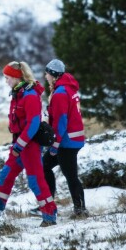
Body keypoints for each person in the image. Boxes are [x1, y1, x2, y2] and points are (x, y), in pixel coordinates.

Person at [0, 61, 57, 227]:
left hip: (29, 146)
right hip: (20, 145)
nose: (5, 81)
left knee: (36, 180)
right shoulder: (18, 93)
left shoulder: (29, 95)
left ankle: (50, 213)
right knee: (6, 175)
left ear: (16, 77)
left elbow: (33, 124)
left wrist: (19, 146)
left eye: (7, 78)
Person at [42, 58, 87, 217]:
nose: (45, 76)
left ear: (53, 75)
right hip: (71, 139)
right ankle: (48, 203)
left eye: (47, 73)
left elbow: (61, 122)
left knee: (70, 175)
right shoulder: (68, 89)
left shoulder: (60, 93)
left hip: (66, 142)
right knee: (45, 165)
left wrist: (55, 144)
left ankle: (80, 209)